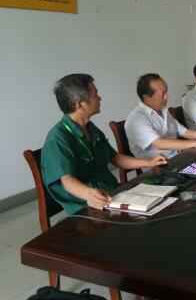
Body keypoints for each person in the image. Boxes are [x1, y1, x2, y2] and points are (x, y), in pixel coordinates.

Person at [41, 74, 167, 214]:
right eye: (95, 94)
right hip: (88, 206)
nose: (100, 98)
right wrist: (88, 194)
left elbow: (115, 158)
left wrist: (149, 162)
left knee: (162, 199)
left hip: (112, 194)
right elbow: (67, 181)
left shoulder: (90, 128)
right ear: (79, 104)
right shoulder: (58, 138)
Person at [125, 74, 196, 160]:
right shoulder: (136, 119)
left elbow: (185, 132)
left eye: (166, 92)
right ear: (147, 97)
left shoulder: (163, 110)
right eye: (163, 94)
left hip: (178, 156)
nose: (167, 97)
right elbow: (159, 143)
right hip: (158, 166)